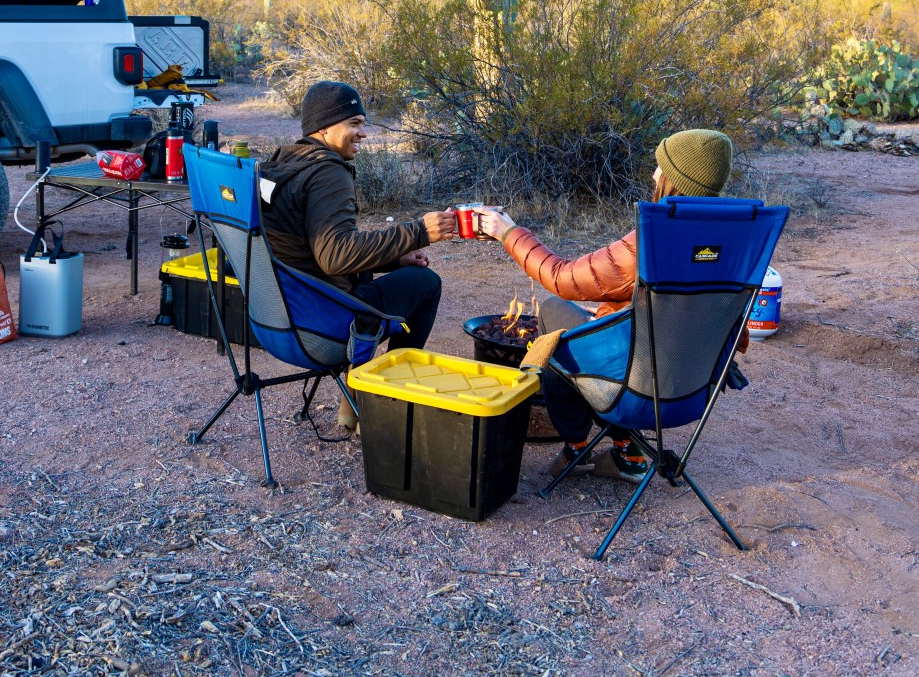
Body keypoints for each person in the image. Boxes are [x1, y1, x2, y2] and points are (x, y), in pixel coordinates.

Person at [474, 129, 734, 482]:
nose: (653, 175)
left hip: (634, 388)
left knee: (553, 316)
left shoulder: (652, 240)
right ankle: (626, 451)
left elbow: (562, 278)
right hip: (692, 390)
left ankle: (578, 446)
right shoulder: (734, 243)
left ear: (674, 180)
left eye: (660, 168)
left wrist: (508, 232)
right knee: (603, 317)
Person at [261, 80, 455, 425]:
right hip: (322, 328)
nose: (363, 133)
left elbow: (315, 247)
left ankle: (355, 405)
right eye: (354, 123)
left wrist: (394, 258)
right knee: (425, 283)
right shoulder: (327, 172)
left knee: (404, 272)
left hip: (274, 320)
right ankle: (382, 399)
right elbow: (335, 257)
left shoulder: (281, 164)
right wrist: (419, 232)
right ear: (324, 127)